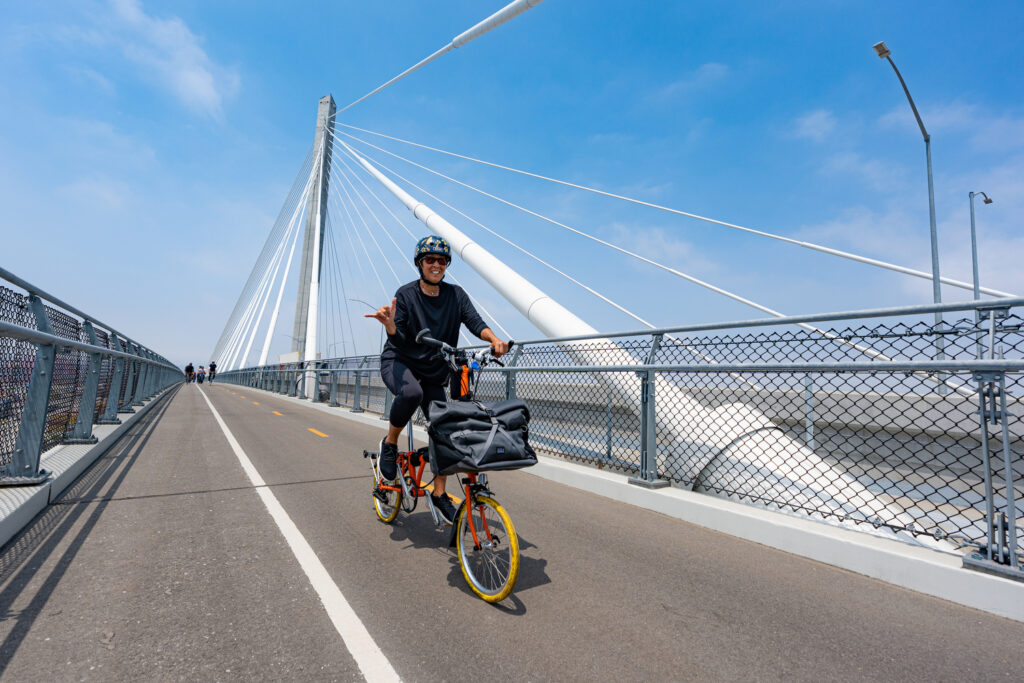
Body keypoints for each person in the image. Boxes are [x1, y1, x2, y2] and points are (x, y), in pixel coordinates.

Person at [366, 235, 509, 523]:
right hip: (400, 361)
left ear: (446, 265)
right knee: (411, 394)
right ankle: (390, 444)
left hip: (433, 369)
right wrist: (391, 325)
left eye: (441, 260)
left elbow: (474, 322)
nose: (436, 264)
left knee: (444, 430)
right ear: (420, 264)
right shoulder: (406, 295)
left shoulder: (456, 295)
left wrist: (494, 339)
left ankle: (440, 493)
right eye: (429, 259)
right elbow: (402, 337)